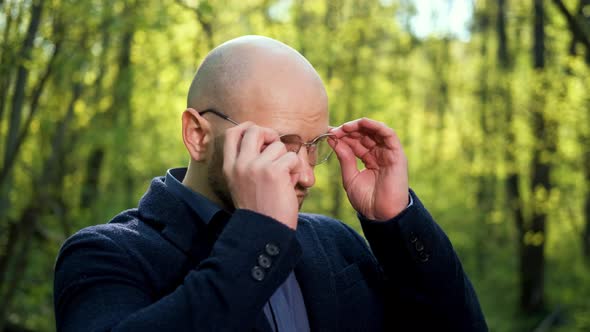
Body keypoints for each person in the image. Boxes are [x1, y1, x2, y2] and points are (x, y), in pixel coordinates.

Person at [53, 35, 487, 331]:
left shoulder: (336, 243)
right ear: (198, 135)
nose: (307, 175)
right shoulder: (105, 255)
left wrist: (396, 222)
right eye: (278, 144)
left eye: (313, 145)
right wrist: (261, 236)